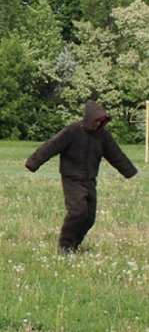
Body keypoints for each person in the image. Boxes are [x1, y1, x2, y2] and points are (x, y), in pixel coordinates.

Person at [25, 100, 138, 255]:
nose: (99, 124)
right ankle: (64, 246)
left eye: (102, 121)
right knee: (78, 211)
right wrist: (33, 163)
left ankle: (74, 244)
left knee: (89, 217)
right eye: (97, 121)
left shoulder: (103, 136)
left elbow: (116, 155)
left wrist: (130, 172)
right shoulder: (72, 131)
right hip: (71, 178)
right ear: (89, 119)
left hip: (90, 179)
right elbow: (50, 147)